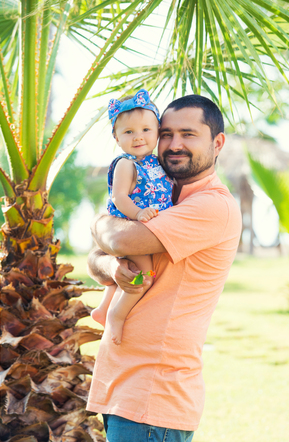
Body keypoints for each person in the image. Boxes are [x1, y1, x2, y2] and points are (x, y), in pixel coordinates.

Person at [86, 95, 242, 442]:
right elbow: (98, 259)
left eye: (188, 134)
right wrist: (112, 264)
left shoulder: (211, 206)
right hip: (123, 391)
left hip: (154, 398)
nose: (174, 145)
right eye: (167, 134)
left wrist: (99, 222)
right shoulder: (161, 197)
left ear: (217, 143)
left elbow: (121, 241)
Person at [91, 89, 173, 345]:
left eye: (146, 130)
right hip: (130, 226)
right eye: (129, 132)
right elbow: (119, 198)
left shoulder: (158, 163)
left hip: (143, 226)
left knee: (126, 273)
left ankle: (103, 308)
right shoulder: (127, 165)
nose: (138, 137)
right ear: (116, 137)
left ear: (158, 131)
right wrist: (138, 214)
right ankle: (117, 314)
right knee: (144, 276)